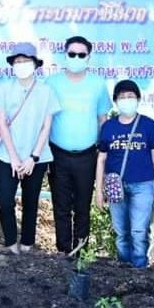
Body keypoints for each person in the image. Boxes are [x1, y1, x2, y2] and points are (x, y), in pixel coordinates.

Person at [0, 43, 60, 254]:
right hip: (7, 156)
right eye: (17, 61)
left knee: (31, 201)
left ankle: (27, 243)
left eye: (26, 61)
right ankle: (10, 243)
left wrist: (33, 157)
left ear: (35, 64)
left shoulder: (46, 91)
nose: (21, 64)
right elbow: (2, 123)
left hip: (36, 157)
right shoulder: (3, 88)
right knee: (5, 201)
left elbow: (46, 126)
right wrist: (14, 157)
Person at [47, 35, 111, 254]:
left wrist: (103, 152)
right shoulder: (52, 83)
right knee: (61, 206)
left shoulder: (98, 84)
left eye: (81, 55)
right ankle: (63, 251)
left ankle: (81, 252)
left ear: (88, 58)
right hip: (58, 155)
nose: (76, 58)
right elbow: (45, 120)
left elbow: (102, 119)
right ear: (65, 55)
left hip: (87, 155)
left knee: (83, 207)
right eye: (72, 54)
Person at [94, 80, 154, 268]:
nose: (126, 100)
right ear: (116, 101)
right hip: (115, 186)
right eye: (122, 97)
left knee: (139, 232)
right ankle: (124, 269)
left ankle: (140, 269)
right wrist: (99, 191)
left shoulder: (148, 125)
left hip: (144, 185)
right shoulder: (108, 127)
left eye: (130, 96)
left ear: (138, 99)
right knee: (121, 233)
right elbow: (101, 160)